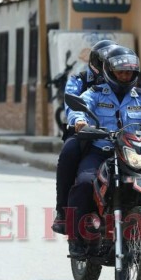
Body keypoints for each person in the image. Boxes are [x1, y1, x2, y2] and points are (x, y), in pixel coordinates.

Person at [66, 46, 141, 258]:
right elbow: (79, 107)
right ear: (109, 72)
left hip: (132, 152)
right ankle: (76, 237)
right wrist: (80, 121)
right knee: (84, 183)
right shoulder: (95, 93)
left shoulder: (140, 97)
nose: (125, 76)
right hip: (101, 151)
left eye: (129, 72)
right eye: (121, 72)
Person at [51, 39, 117, 235]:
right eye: (105, 65)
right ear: (95, 64)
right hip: (82, 132)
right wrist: (80, 121)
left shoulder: (120, 81)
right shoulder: (79, 80)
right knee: (68, 153)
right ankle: (63, 212)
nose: (109, 69)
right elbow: (73, 104)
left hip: (115, 136)